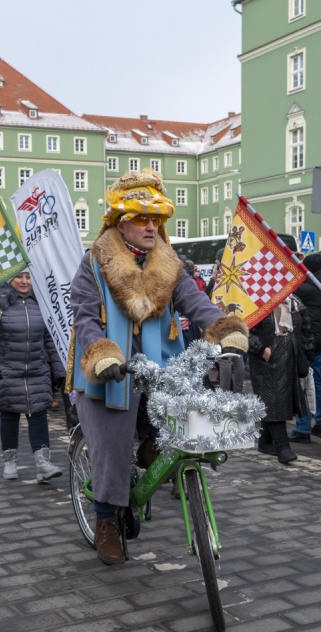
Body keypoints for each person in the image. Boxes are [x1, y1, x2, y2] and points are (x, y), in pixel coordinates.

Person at [70, 171, 248, 565]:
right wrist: (102, 354)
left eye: (157, 221)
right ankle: (106, 520)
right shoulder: (94, 263)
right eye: (142, 219)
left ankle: (153, 462)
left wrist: (224, 330)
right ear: (122, 223)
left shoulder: (170, 264)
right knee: (113, 448)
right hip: (111, 370)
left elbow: (196, 304)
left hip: (162, 366)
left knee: (181, 429)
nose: (152, 227)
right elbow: (84, 317)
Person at [0, 271, 65, 481]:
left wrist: (61, 369)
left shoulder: (41, 302)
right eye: (19, 277)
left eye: (28, 276)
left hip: (37, 369)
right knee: (9, 414)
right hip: (6, 370)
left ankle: (43, 464)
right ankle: (10, 461)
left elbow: (50, 338)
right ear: (9, 278)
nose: (24, 281)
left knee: (39, 414)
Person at [249, 235, 312, 465]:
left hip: (289, 352)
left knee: (282, 398)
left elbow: (304, 324)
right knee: (273, 399)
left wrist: (307, 350)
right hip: (268, 353)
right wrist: (259, 349)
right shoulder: (258, 294)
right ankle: (283, 447)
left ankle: (265, 441)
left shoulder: (292, 294)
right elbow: (242, 328)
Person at [291, 253, 321, 441]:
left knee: (302, 382)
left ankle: (302, 428)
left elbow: (287, 287)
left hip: (306, 339)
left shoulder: (307, 287)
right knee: (318, 381)